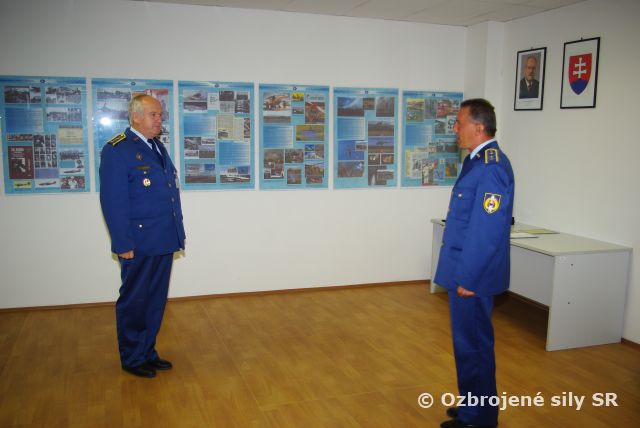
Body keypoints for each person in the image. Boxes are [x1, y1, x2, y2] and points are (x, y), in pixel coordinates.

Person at [434, 99, 514, 428]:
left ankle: (479, 418)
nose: (454, 128)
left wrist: (468, 277)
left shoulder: (491, 167)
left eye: (459, 122)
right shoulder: (476, 161)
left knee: (475, 346)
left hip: (472, 276)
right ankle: (472, 405)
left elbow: (486, 231)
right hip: (463, 270)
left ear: (479, 127)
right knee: (466, 345)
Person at [99, 94, 186, 378]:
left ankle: (147, 351)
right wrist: (122, 243)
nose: (159, 120)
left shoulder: (156, 146)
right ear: (135, 117)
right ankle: (132, 358)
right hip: (138, 243)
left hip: (163, 238)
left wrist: (177, 233)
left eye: (160, 115)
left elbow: (169, 194)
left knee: (155, 301)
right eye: (153, 115)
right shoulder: (117, 150)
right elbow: (113, 202)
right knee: (135, 301)